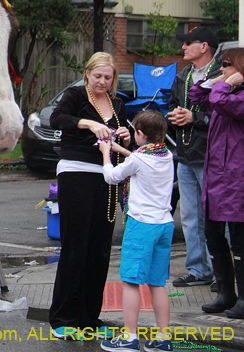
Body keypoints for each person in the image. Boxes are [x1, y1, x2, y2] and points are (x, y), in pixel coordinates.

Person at [48, 52, 131, 340]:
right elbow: (56, 118)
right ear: (87, 74)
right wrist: (88, 123)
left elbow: (123, 136)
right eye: (98, 76)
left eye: (108, 77)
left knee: (100, 246)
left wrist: (126, 135)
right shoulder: (75, 95)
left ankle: (88, 316)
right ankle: (62, 317)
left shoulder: (118, 103)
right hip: (76, 171)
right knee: (76, 244)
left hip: (107, 175)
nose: (103, 82)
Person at [99, 110, 175, 351]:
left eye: (135, 133)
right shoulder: (166, 154)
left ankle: (130, 337)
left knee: (131, 282)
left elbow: (112, 177)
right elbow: (140, 159)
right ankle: (163, 338)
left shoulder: (139, 159)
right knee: (157, 282)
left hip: (142, 225)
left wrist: (105, 155)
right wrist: (121, 150)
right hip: (164, 224)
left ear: (140, 134)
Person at [188, 47, 244, 319]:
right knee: (213, 234)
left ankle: (243, 297)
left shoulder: (238, 97)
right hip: (217, 180)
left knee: (240, 241)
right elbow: (196, 95)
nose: (220, 69)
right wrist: (219, 81)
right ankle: (225, 293)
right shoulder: (226, 90)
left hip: (237, 182)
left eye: (226, 65)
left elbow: (222, 104)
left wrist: (225, 85)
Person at [167, 27, 220, 288]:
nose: (183, 48)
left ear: (205, 46)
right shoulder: (183, 75)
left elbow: (225, 115)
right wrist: (175, 115)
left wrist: (194, 117)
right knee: (189, 215)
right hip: (185, 154)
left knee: (217, 215)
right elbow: (172, 104)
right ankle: (199, 269)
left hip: (212, 156)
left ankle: (224, 271)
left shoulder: (223, 74)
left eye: (189, 43)